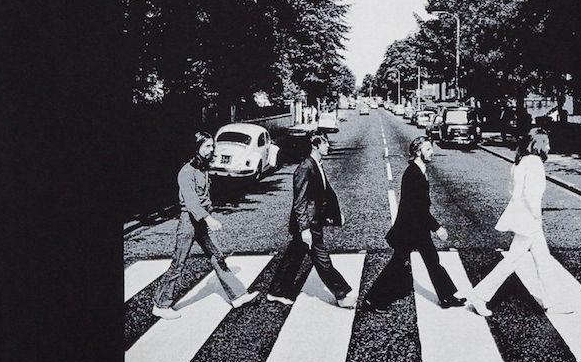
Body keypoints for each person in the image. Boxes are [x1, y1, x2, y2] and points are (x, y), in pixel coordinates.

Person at [459, 129, 570, 317]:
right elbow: (531, 195)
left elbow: (513, 191)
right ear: (538, 144)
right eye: (546, 143)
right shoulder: (534, 162)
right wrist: (536, 216)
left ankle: (553, 303)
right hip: (530, 220)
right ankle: (480, 296)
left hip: (523, 217)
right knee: (512, 261)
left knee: (543, 260)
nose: (549, 147)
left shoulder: (521, 161)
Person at [150, 133, 258, 318]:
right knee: (178, 263)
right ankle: (160, 305)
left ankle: (238, 295)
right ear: (196, 147)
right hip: (189, 221)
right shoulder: (186, 172)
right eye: (207, 146)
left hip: (201, 220)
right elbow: (191, 202)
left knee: (217, 256)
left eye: (212, 146)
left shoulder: (202, 169)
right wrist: (208, 218)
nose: (212, 149)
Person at [362, 135, 463, 311]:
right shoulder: (413, 174)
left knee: (432, 261)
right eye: (428, 149)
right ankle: (372, 300)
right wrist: (437, 227)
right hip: (410, 230)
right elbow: (418, 208)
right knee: (397, 264)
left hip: (418, 227)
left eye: (431, 148)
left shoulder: (420, 170)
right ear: (417, 152)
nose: (432, 152)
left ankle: (446, 297)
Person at [267, 132, 354, 307]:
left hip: (314, 221)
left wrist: (336, 216)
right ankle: (341, 295)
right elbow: (299, 202)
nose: (328, 145)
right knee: (322, 259)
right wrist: (304, 229)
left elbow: (324, 195)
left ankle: (276, 291)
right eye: (324, 142)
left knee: (293, 257)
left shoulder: (317, 165)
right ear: (315, 146)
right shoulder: (305, 168)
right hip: (309, 224)